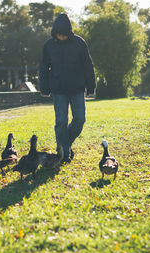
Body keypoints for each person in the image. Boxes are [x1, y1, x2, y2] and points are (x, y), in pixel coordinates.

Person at [39, 13, 96, 163]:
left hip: (77, 89)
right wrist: (44, 87)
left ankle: (64, 147)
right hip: (58, 90)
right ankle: (64, 153)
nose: (62, 37)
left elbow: (88, 65)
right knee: (61, 122)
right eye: (59, 34)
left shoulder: (79, 43)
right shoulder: (49, 45)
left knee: (80, 119)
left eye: (64, 34)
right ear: (55, 33)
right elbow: (44, 67)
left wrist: (91, 85)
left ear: (69, 32)